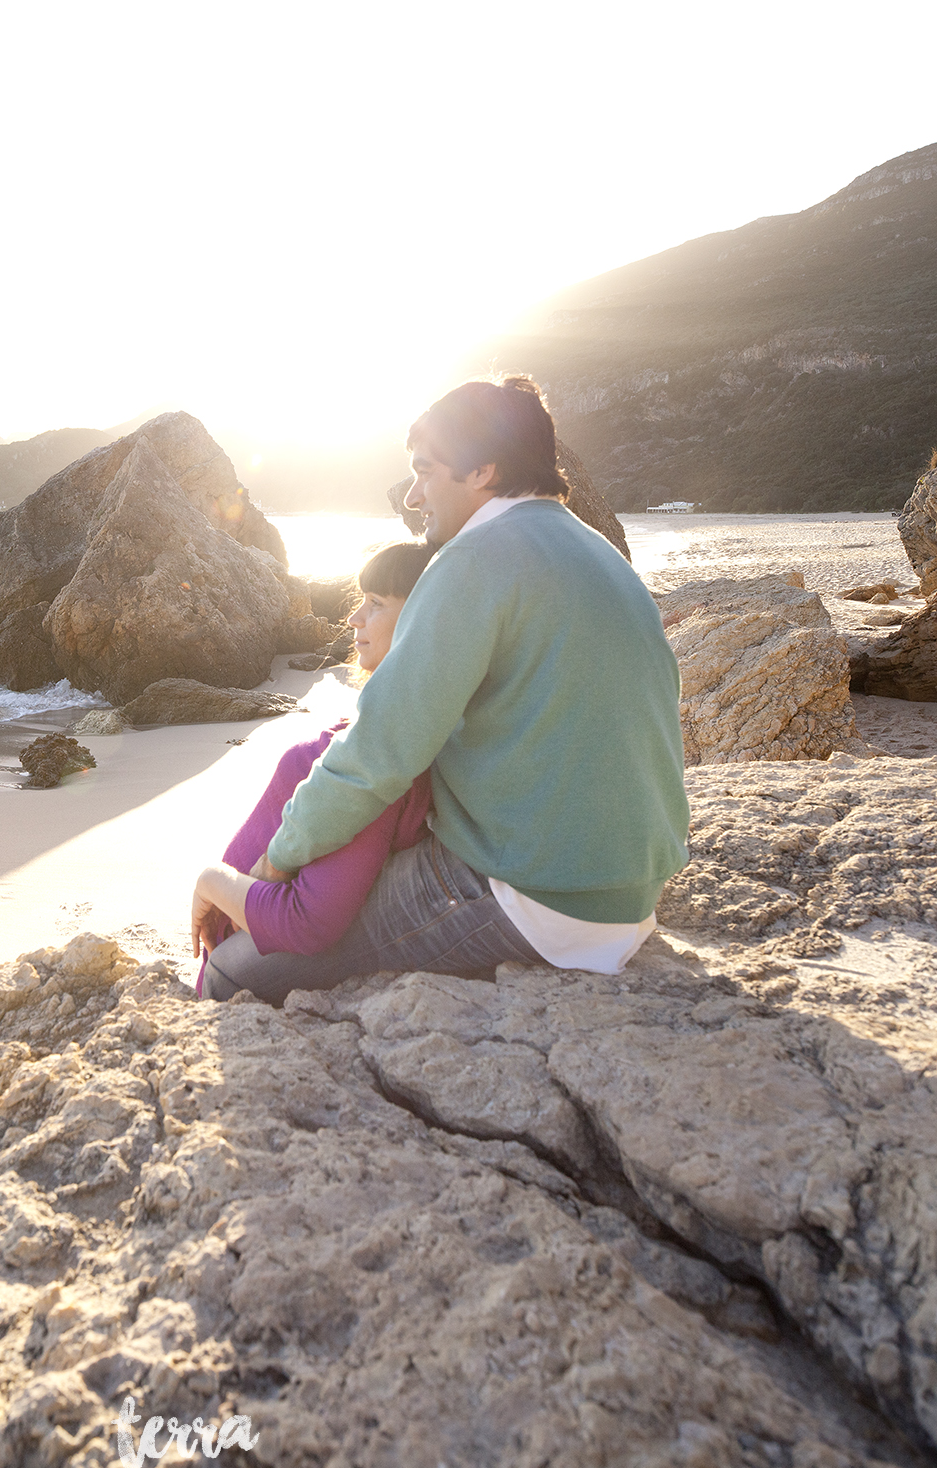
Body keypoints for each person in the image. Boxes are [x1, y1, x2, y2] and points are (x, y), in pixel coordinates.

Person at [203, 374, 690, 1002]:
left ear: (483, 469)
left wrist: (275, 865)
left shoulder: (475, 557)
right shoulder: (600, 555)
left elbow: (377, 757)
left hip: (531, 896)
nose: (412, 495)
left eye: (425, 471)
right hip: (630, 889)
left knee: (233, 972)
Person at [191, 541, 434, 1005]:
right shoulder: (387, 728)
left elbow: (310, 920)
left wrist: (213, 882)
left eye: (376, 604)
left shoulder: (381, 757)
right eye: (360, 600)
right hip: (240, 937)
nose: (353, 619)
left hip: (236, 974)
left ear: (423, 619)